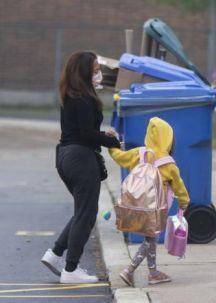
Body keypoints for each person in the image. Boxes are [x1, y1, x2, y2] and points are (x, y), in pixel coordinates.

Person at [41, 51, 121, 284]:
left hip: (66, 156)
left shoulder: (72, 94)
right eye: (95, 69)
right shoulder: (84, 98)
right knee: (87, 213)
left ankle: (55, 254)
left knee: (83, 211)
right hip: (80, 158)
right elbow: (86, 134)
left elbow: (82, 130)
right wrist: (113, 141)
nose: (99, 73)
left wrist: (102, 135)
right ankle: (71, 269)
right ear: (85, 72)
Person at [108, 117, 190, 286]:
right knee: (151, 238)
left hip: (137, 204)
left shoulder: (139, 153)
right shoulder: (168, 163)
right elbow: (179, 186)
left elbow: (120, 157)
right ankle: (129, 270)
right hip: (158, 207)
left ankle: (153, 272)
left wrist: (112, 144)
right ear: (168, 139)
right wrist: (184, 202)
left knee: (150, 237)